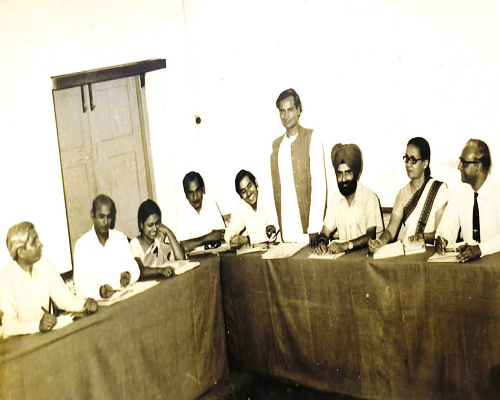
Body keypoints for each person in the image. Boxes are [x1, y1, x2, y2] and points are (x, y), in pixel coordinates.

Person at [0, 222, 98, 338]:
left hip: (46, 339)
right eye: (34, 242)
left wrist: (84, 304)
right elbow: (9, 326)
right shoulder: (5, 280)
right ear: (21, 251)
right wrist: (37, 325)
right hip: (20, 345)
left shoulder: (45, 267)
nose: (40, 245)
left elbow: (66, 299)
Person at [369, 137, 450, 253]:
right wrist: (379, 242)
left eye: (413, 160)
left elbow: (440, 233)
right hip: (408, 253)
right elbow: (391, 231)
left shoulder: (439, 190)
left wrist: (422, 237)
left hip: (431, 252)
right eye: (406, 159)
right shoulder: (402, 194)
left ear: (425, 163)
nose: (408, 164)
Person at [270, 88, 327, 245]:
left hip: (308, 229)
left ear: (299, 110)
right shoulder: (276, 146)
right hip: (286, 229)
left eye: (290, 110)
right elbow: (274, 188)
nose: (286, 115)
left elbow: (319, 185)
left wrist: (314, 226)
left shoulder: (312, 138)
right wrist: (274, 224)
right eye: (282, 111)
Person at [435, 139, 500, 262]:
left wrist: (480, 249)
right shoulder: (459, 193)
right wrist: (442, 239)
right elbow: (447, 227)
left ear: (478, 166)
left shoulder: (498, 193)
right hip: (468, 267)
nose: (459, 167)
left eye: (464, 163)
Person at [314, 144, 384, 254]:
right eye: (339, 174)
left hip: (368, 257)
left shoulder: (369, 197)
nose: (343, 179)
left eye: (348, 173)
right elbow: (325, 232)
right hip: (345, 259)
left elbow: (371, 236)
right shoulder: (335, 199)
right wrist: (322, 242)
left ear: (356, 173)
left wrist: (346, 245)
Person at [73, 195, 140, 299]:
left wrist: (129, 274)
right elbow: (80, 287)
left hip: (124, 297)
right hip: (100, 303)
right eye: (101, 217)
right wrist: (99, 291)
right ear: (92, 214)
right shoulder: (82, 246)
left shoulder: (120, 238)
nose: (105, 222)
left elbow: (134, 267)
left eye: (109, 217)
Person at [130, 199, 185, 278]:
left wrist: (168, 232)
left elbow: (180, 258)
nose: (155, 228)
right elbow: (140, 270)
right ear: (141, 225)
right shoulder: (135, 243)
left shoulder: (159, 239)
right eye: (150, 225)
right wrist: (160, 270)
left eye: (157, 223)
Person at [224, 170, 278, 249]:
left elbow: (272, 235)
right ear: (240, 196)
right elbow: (228, 234)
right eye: (243, 191)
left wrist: (247, 240)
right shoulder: (242, 205)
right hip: (259, 251)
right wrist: (233, 239)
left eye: (249, 186)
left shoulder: (268, 197)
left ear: (256, 183)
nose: (248, 193)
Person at [177, 171, 226, 252]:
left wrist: (194, 243)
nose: (195, 197)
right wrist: (208, 238)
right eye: (191, 193)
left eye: (197, 191)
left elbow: (220, 235)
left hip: (214, 254)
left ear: (203, 190)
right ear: (186, 195)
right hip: (194, 257)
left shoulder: (210, 202)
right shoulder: (183, 209)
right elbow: (184, 246)